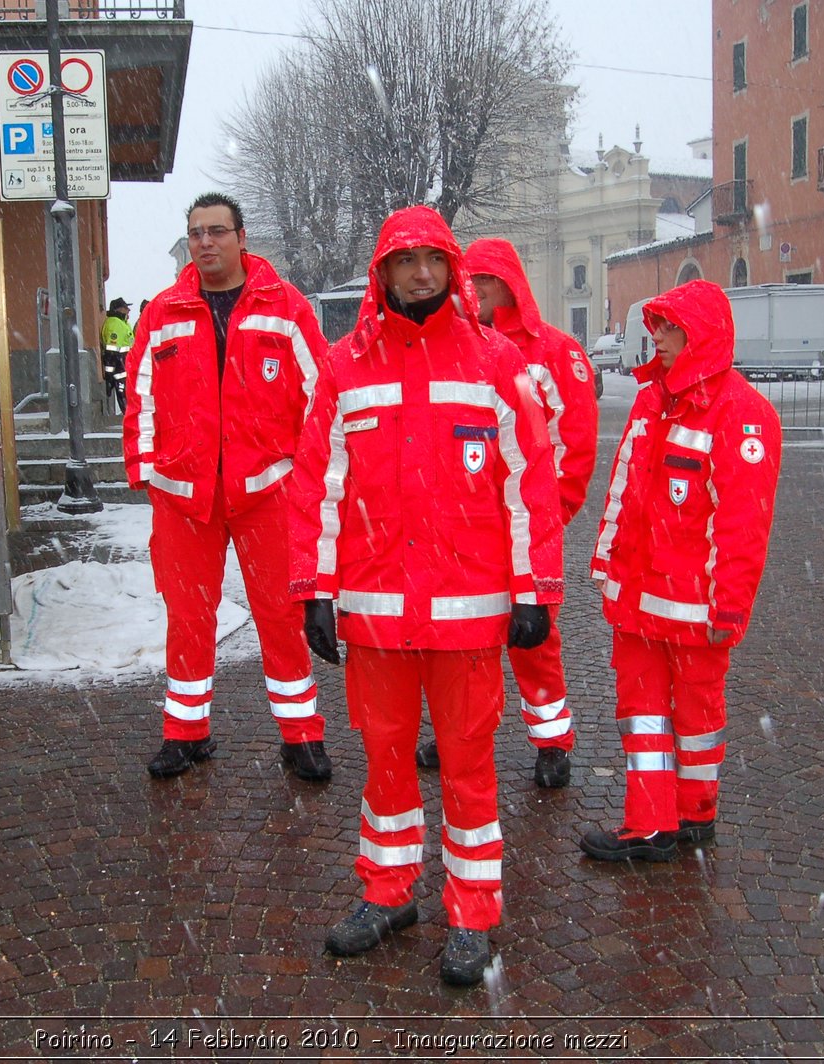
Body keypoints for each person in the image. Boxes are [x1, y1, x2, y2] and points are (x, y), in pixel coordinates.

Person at [288, 205, 564, 987]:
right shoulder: (345, 368)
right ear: (382, 274)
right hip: (375, 615)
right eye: (403, 260)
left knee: (470, 768)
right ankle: (387, 892)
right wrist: (313, 587)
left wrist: (534, 587)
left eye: (432, 259)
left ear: (452, 269)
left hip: (469, 616)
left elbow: (530, 486)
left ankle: (473, 914)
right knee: (384, 764)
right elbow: (318, 486)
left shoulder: (495, 365)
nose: (418, 274)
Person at [122, 192, 334, 782]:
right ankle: (184, 733)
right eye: (196, 233)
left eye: (217, 231)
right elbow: (139, 393)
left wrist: (307, 474)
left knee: (281, 614)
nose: (206, 242)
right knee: (188, 615)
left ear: (241, 237)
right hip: (183, 494)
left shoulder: (286, 307)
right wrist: (144, 466)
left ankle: (301, 736)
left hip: (267, 489)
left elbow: (320, 398)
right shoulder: (163, 311)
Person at [579, 278, 781, 863]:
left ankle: (688, 815)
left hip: (693, 607)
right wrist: (607, 562)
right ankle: (658, 822)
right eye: (656, 327)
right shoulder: (653, 399)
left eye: (670, 328)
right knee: (646, 715)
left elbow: (744, 523)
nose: (657, 338)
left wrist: (731, 605)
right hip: (642, 599)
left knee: (695, 717)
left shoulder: (743, 415)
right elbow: (624, 487)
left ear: (702, 335)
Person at [413, 238, 599, 788]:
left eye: (487, 283)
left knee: (535, 638)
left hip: (522, 525)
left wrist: (548, 517)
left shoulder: (555, 354)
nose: (476, 292)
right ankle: (460, 733)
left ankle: (551, 742)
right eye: (472, 282)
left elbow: (575, 447)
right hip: (465, 528)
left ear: (510, 285)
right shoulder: (457, 346)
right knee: (464, 641)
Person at [100, 296, 133, 413]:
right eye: (126, 308)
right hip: (120, 368)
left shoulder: (122, 323)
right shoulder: (115, 324)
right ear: (119, 309)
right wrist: (110, 375)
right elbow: (111, 351)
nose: (128, 311)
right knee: (124, 396)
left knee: (128, 397)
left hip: (125, 367)